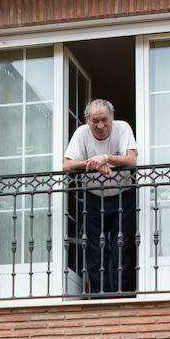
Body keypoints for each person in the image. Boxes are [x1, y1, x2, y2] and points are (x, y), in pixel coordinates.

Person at [63, 98, 138, 295]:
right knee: (95, 250)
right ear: (87, 119)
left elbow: (131, 159)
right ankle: (99, 294)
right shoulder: (82, 133)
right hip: (94, 198)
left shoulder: (122, 128)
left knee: (122, 248)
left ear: (112, 116)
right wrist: (94, 163)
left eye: (104, 119)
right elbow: (67, 164)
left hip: (123, 196)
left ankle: (122, 294)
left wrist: (106, 158)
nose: (100, 125)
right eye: (95, 121)